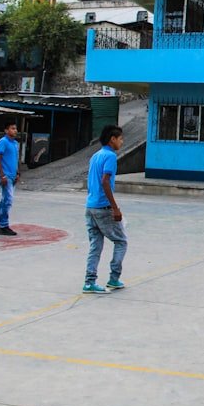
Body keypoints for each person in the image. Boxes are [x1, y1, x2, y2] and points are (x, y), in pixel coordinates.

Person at [83, 125, 128, 294]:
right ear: (112, 139)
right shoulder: (110, 156)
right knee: (121, 241)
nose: (122, 142)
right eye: (120, 138)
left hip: (90, 206)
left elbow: (91, 182)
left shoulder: (95, 156)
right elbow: (105, 181)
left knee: (96, 245)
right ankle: (114, 278)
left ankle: (89, 282)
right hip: (103, 207)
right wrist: (115, 208)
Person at [0, 122, 21, 236]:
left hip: (12, 174)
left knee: (4, 200)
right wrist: (2, 175)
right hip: (5, 175)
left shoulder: (15, 143)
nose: (15, 130)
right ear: (6, 130)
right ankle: (4, 225)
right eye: (12, 128)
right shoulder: (3, 142)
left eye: (15, 128)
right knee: (8, 200)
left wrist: (18, 172)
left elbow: (16, 159)